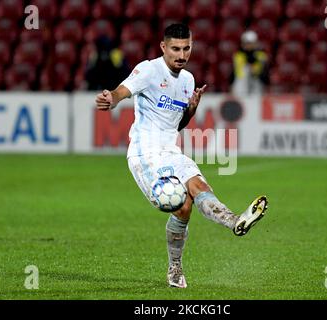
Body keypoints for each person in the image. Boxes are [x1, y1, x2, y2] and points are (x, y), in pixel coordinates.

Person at [95, 24, 269, 288]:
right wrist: (113, 97)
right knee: (182, 206)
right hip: (146, 152)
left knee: (199, 187)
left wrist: (190, 110)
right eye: (175, 48)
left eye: (186, 48)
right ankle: (175, 268)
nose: (181, 54)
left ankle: (234, 221)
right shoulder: (149, 70)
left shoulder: (188, 80)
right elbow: (123, 90)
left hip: (171, 149)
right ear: (163, 47)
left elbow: (178, 125)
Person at [231, 30, 269, 96]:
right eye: (246, 43)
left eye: (250, 43)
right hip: (241, 85)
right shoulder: (238, 55)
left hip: (256, 83)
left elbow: (259, 69)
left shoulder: (261, 55)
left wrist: (254, 58)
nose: (248, 45)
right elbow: (239, 69)